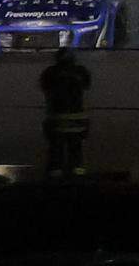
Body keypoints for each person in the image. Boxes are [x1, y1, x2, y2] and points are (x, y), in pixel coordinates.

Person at [40, 47, 91, 179]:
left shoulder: (50, 73)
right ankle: (77, 173)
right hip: (77, 118)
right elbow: (87, 85)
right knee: (76, 149)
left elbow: (44, 86)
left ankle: (55, 174)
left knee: (56, 149)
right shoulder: (80, 71)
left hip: (56, 118)